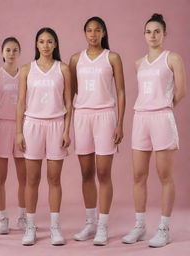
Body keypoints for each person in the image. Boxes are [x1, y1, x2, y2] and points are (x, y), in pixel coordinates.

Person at [122, 13, 186, 248]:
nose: (152, 35)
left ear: (164, 34)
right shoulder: (138, 63)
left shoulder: (173, 59)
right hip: (141, 119)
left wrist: (164, 107)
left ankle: (164, 229)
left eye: (157, 31)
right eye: (149, 31)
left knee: (164, 176)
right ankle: (139, 226)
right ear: (144, 35)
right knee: (138, 175)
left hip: (161, 117)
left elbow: (180, 91)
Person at [70, 16, 125, 246]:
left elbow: (120, 92)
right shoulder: (75, 59)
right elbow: (71, 92)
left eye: (97, 30)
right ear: (84, 34)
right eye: (89, 30)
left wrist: (120, 123)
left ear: (103, 33)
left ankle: (103, 225)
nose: (93, 34)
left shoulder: (112, 57)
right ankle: (90, 222)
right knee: (85, 173)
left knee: (103, 173)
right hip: (82, 117)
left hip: (105, 116)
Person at [16, 27, 71, 246]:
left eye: (50, 42)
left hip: (56, 125)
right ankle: (30, 227)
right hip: (32, 126)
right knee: (32, 179)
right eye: (41, 42)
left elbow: (68, 103)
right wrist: (18, 131)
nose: (46, 46)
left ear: (55, 44)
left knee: (54, 179)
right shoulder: (26, 69)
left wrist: (67, 130)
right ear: (36, 45)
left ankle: (55, 227)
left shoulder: (63, 69)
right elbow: (20, 102)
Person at [0, 37, 26, 234]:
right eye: (8, 50)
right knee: (0, 176)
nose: (11, 53)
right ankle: (3, 217)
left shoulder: (25, 74)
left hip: (21, 127)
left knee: (24, 177)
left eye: (15, 50)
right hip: (1, 127)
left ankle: (22, 217)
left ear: (19, 52)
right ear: (2, 52)